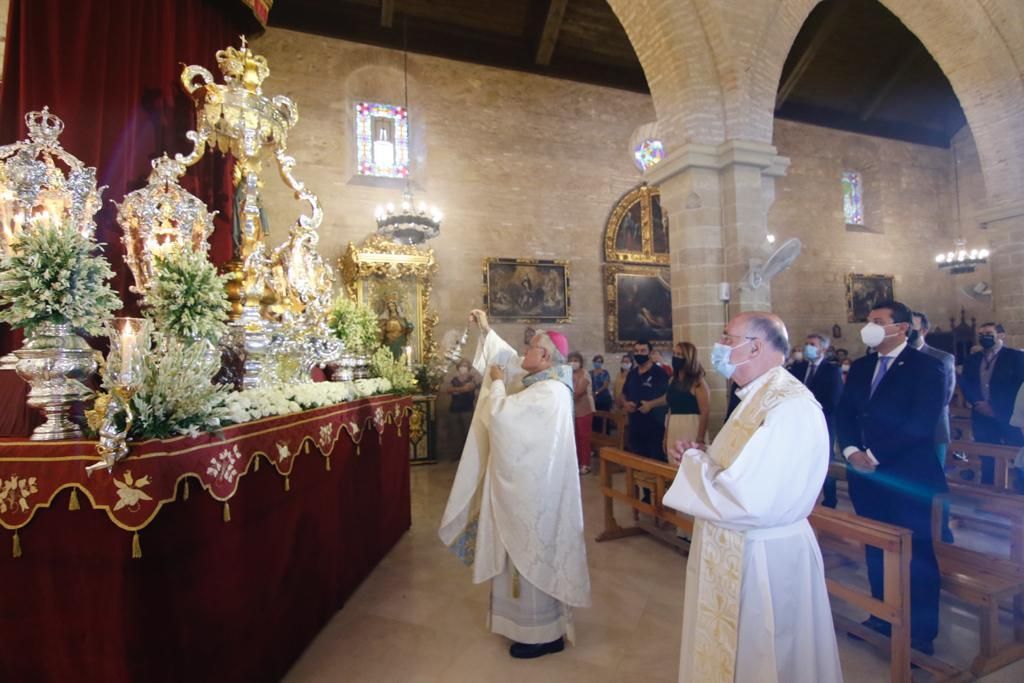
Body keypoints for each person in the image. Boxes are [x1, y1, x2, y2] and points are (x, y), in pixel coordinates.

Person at [664, 312, 842, 683]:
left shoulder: (787, 406)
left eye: (728, 338)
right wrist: (704, 455)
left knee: (768, 654)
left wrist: (697, 463)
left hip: (765, 555)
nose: (720, 346)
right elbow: (744, 466)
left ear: (756, 346)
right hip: (740, 543)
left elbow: (749, 497)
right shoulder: (756, 397)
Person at [439, 309, 590, 659]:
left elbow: (505, 420)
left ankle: (543, 635)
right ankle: (525, 627)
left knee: (530, 557)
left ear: (546, 356)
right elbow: (509, 362)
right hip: (528, 494)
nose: (525, 353)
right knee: (518, 557)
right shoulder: (544, 381)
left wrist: (493, 384)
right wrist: (488, 331)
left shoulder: (550, 392)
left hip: (534, 500)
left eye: (532, 348)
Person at [836, 300, 947, 655]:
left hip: (907, 474)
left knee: (917, 554)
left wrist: (874, 455)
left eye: (878, 321)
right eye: (868, 320)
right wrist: (851, 449)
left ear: (901, 328)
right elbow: (846, 413)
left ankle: (920, 632)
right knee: (876, 546)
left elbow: (920, 423)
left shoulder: (926, 367)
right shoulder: (862, 366)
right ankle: (882, 614)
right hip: (866, 477)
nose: (869, 326)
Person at [911, 311, 956, 539]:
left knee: (935, 481)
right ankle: (916, 524)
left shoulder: (941, 357)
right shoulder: (897, 357)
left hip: (934, 430)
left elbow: (944, 397)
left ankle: (942, 527)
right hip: (905, 432)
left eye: (913, 327)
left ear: (924, 331)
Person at [788, 334, 843, 508]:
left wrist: (811, 411)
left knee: (825, 459)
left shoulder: (831, 369)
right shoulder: (799, 367)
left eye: (812, 344)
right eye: (806, 343)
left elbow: (833, 400)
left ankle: (830, 499)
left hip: (823, 421)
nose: (807, 347)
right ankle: (801, 497)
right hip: (799, 422)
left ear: (823, 349)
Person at [960, 322, 1024, 458]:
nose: (984, 337)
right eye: (981, 334)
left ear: (1001, 335)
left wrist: (994, 406)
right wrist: (977, 402)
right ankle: (987, 480)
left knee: (1014, 454)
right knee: (986, 456)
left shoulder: (1015, 357)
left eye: (989, 334)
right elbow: (966, 383)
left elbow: (1018, 386)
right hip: (981, 415)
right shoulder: (972, 359)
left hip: (1007, 414)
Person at [622, 340, 669, 461]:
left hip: (654, 424)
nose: (639, 354)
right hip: (636, 424)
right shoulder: (632, 374)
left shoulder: (659, 373)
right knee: (637, 458)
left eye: (643, 351)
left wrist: (651, 404)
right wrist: (625, 403)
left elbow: (668, 396)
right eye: (636, 351)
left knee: (655, 459)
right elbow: (624, 393)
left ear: (650, 353)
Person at [569, 351, 595, 475]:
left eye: (576, 360)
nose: (573, 363)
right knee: (575, 438)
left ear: (580, 362)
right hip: (573, 410)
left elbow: (578, 392)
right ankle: (577, 462)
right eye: (571, 360)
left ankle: (586, 464)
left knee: (584, 437)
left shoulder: (585, 374)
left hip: (584, 409)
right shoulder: (568, 373)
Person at [446, 359, 478, 458]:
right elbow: (448, 390)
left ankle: (468, 456)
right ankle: (457, 455)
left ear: (468, 368)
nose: (463, 368)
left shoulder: (472, 379)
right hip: (454, 409)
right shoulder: (455, 379)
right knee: (455, 434)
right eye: (461, 366)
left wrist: (456, 390)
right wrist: (460, 390)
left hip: (467, 409)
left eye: (465, 366)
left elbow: (468, 388)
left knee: (468, 433)